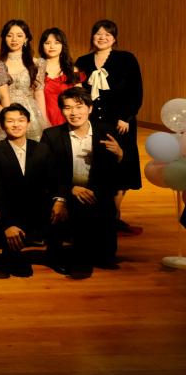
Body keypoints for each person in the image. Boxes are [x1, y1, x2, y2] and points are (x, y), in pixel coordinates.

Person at [40, 87, 124, 271]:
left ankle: (98, 253)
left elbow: (116, 172)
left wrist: (120, 155)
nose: (74, 113)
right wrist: (69, 190)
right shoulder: (51, 135)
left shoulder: (107, 131)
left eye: (79, 107)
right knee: (58, 206)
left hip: (96, 191)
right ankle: (57, 255)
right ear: (62, 111)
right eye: (67, 108)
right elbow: (46, 173)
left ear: (90, 108)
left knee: (103, 211)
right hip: (65, 191)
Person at [74, 19, 143, 227]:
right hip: (93, 122)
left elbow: (136, 91)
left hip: (120, 122)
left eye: (107, 34)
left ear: (114, 38)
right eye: (98, 34)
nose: (102, 37)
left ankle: (115, 214)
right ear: (92, 37)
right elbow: (78, 92)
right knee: (99, 165)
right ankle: (101, 212)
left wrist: (126, 116)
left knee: (123, 166)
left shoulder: (126, 59)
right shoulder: (83, 61)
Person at [0, 104, 57, 277]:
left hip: (37, 208)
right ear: (2, 125)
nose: (16, 125)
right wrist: (8, 223)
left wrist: (59, 201)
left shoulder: (42, 149)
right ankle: (11, 252)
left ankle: (54, 255)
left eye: (21, 120)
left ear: (28, 123)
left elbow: (52, 180)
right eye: (10, 121)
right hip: (8, 210)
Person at [0, 19, 48, 140]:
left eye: (19, 35)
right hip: (4, 111)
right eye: (9, 35)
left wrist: (44, 119)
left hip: (30, 113)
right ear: (4, 38)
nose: (14, 39)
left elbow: (39, 93)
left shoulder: (37, 63)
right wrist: (3, 114)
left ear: (26, 39)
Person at [39, 27, 83, 128]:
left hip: (68, 117)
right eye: (47, 43)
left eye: (57, 43)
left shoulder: (73, 70)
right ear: (42, 46)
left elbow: (80, 97)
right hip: (42, 117)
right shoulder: (36, 68)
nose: (52, 46)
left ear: (63, 45)